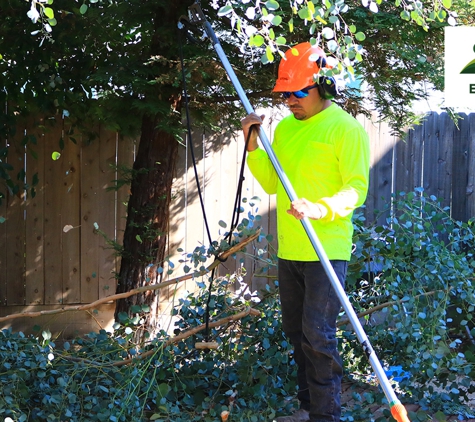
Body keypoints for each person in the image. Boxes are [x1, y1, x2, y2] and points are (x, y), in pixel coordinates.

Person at [241, 42, 370, 422]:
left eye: (299, 92)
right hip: (291, 249)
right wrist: (251, 145)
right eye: (287, 94)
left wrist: (319, 208)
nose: (291, 100)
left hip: (326, 249)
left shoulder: (345, 129)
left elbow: (356, 188)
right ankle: (308, 407)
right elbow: (270, 183)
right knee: (297, 334)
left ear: (324, 87)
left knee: (318, 335)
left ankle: (326, 415)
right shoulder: (283, 129)